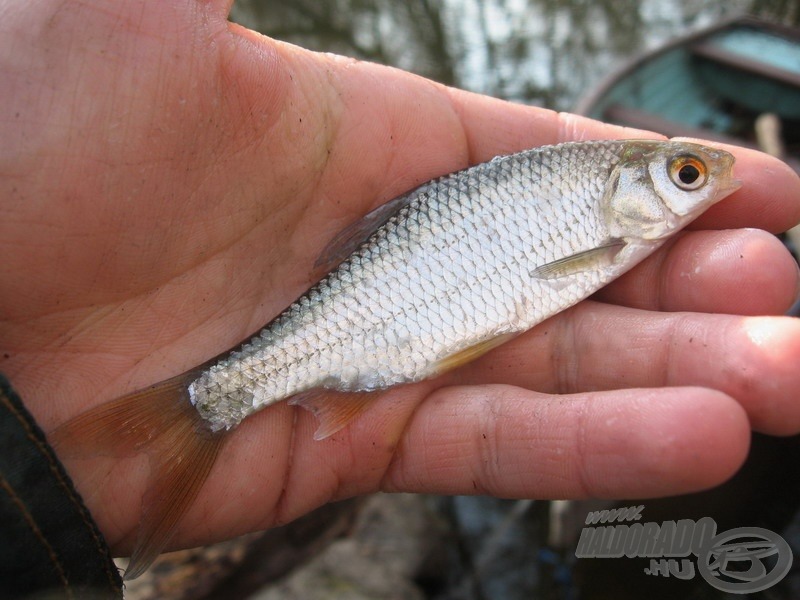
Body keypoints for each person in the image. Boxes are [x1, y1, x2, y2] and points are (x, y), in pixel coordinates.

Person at [2, 0, 800, 590]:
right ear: (628, 188)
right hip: (396, 312)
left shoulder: (607, 221)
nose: (700, 184)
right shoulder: (598, 218)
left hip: (415, 321)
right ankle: (208, 403)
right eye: (686, 176)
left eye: (687, 174)